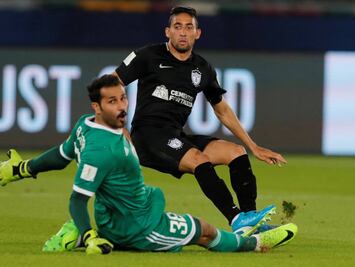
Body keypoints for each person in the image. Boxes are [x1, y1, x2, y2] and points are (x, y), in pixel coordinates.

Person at [0, 74, 297, 254]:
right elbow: (78, 199)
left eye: (123, 99)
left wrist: (23, 169)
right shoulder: (105, 150)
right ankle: (255, 243)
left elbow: (60, 155)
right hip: (139, 226)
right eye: (112, 102)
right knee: (206, 231)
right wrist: (90, 234)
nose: (122, 107)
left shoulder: (84, 126)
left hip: (120, 213)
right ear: (97, 106)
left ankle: (77, 234)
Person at [113, 6, 287, 233]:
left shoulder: (202, 68)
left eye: (189, 27)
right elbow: (111, 83)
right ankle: (236, 219)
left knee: (235, 152)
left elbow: (222, 110)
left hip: (175, 135)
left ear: (198, 33)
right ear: (168, 32)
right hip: (148, 136)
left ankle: (249, 220)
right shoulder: (148, 55)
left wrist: (253, 146)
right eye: (177, 27)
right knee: (199, 160)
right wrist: (120, 128)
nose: (183, 32)